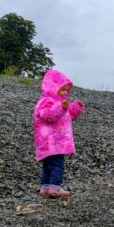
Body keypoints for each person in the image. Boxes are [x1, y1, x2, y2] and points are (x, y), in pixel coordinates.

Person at [34, 69, 85, 198]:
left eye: (67, 90)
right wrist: (61, 107)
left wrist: (75, 107)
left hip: (54, 142)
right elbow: (49, 116)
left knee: (48, 165)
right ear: (52, 87)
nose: (65, 93)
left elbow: (68, 116)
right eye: (62, 89)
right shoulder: (46, 101)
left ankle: (45, 188)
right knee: (57, 165)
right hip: (52, 142)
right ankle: (55, 188)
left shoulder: (59, 102)